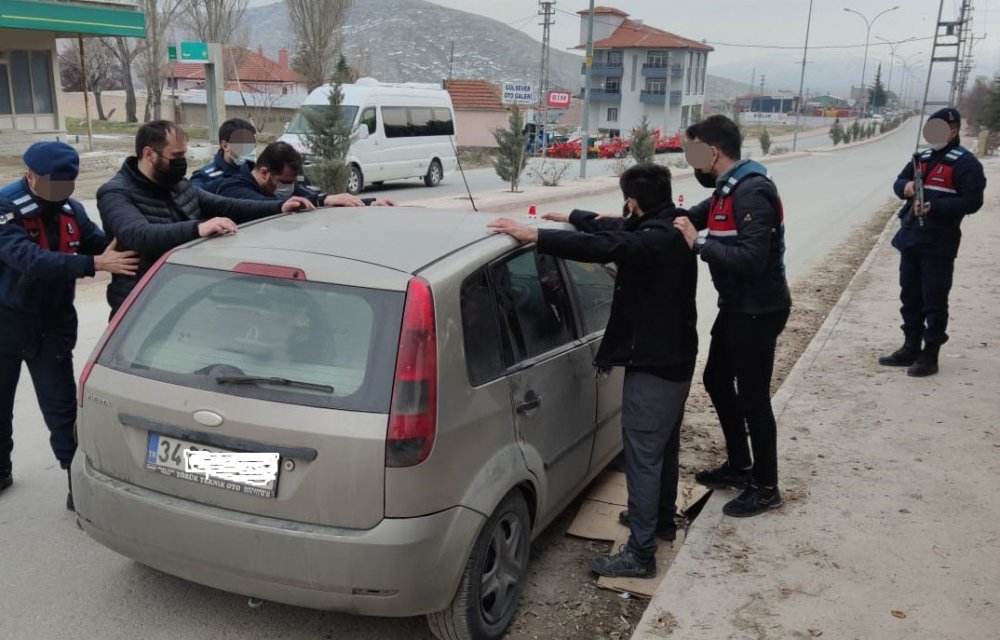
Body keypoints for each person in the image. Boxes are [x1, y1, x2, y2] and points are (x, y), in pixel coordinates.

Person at [488, 163, 697, 579]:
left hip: (655, 367)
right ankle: (658, 523)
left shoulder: (655, 241)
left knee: (642, 455)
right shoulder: (667, 224)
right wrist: (570, 217)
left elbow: (609, 246)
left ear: (633, 200)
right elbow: (613, 227)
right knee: (661, 449)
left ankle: (640, 554)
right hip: (674, 360)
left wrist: (539, 237)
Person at [0, 142, 139, 509]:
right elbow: (28, 259)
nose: (61, 192)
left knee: (62, 409)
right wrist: (93, 264)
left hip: (52, 325)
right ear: (30, 175)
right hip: (6, 324)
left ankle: (76, 483)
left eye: (67, 184)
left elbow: (101, 245)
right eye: (53, 184)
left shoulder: (71, 210)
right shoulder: (5, 208)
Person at [673, 114, 792, 518]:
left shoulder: (752, 191)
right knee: (716, 379)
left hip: (760, 309)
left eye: (694, 153)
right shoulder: (727, 190)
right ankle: (740, 466)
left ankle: (766, 486)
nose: (692, 163)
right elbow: (691, 216)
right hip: (737, 307)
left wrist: (698, 245)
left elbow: (753, 258)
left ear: (713, 151)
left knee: (754, 396)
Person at [98, 120, 315, 317]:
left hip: (183, 294)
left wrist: (279, 206)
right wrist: (198, 228)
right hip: (140, 300)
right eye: (176, 157)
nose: (182, 162)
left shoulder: (178, 185)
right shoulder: (115, 193)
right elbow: (140, 235)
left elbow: (225, 205)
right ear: (148, 154)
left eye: (184, 155)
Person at [879, 107, 987, 377]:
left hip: (940, 242)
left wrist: (934, 206)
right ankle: (910, 346)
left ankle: (931, 354)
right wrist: (906, 188)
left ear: (953, 130)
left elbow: (972, 202)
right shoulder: (922, 158)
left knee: (934, 299)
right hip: (911, 237)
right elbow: (899, 182)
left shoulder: (965, 163)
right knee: (910, 296)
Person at [216, 141, 395, 207]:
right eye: (283, 181)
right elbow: (262, 206)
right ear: (264, 173)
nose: (289, 188)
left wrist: (369, 203)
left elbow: (319, 199)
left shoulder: (289, 188)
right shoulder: (232, 188)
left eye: (292, 182)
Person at [189, 118, 257, 193]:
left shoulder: (253, 171)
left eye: (253, 146)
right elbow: (195, 197)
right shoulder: (204, 176)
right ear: (225, 146)